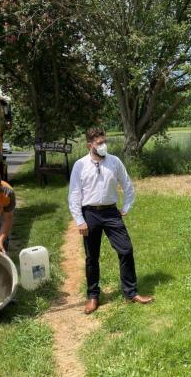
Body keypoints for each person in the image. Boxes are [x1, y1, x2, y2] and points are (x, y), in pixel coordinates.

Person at [68, 127, 153, 314]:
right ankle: (92, 296)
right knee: (92, 257)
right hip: (90, 213)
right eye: (99, 143)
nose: (103, 145)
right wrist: (79, 220)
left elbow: (127, 185)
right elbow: (74, 194)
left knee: (126, 249)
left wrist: (126, 207)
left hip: (111, 213)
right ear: (89, 145)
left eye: (104, 141)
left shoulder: (114, 161)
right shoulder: (80, 165)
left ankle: (131, 293)